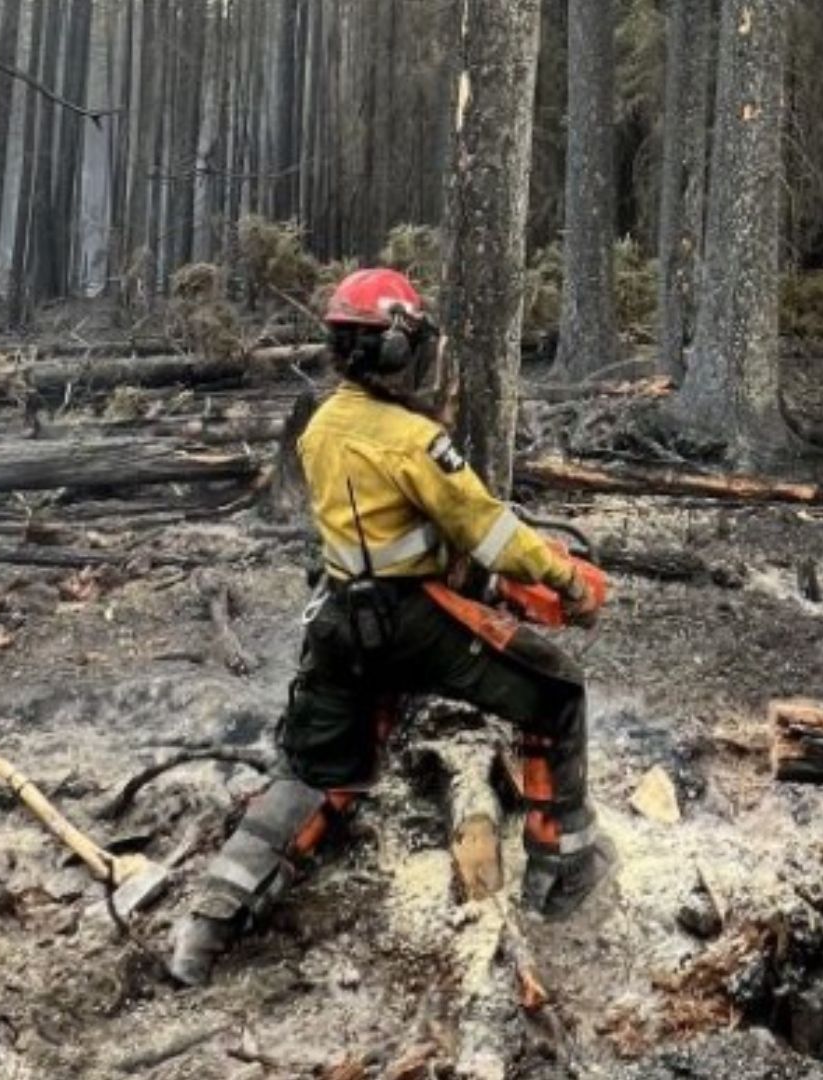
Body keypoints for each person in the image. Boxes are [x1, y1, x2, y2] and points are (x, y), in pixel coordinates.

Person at [169, 269, 609, 986]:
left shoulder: (319, 429)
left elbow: (386, 533)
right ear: (398, 351)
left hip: (340, 619)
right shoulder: (413, 441)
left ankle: (210, 922)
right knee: (555, 693)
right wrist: (564, 580)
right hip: (413, 621)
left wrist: (483, 582)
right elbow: (489, 530)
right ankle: (563, 868)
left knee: (315, 771)